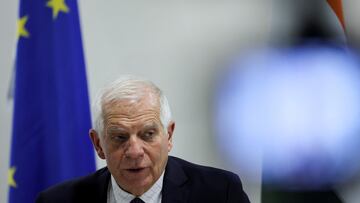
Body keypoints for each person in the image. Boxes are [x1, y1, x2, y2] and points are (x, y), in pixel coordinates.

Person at [36, 75, 250, 203]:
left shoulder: (220, 193)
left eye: (148, 134)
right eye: (120, 137)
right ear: (98, 144)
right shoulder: (58, 201)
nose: (135, 151)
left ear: (169, 135)